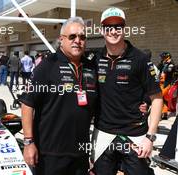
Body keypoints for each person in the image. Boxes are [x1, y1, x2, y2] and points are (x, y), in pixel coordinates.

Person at [20, 17, 97, 175]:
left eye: (82, 37)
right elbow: (28, 105)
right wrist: (28, 143)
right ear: (61, 40)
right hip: (50, 154)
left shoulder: (91, 67)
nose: (78, 41)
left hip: (80, 153)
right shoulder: (47, 66)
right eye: (72, 36)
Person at [92, 7, 163, 175]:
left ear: (124, 29)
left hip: (134, 136)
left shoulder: (140, 59)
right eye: (109, 27)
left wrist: (150, 137)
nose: (113, 31)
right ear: (102, 30)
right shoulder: (95, 59)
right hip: (103, 135)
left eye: (118, 26)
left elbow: (158, 98)